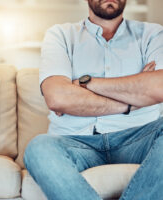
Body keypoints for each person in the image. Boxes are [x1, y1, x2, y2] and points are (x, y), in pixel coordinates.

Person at [24, 0, 163, 199]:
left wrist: (86, 83)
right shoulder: (61, 35)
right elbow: (58, 97)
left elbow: (159, 87)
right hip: (77, 142)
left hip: (138, 138)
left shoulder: (153, 34)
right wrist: (133, 100)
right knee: (39, 147)